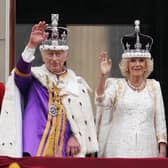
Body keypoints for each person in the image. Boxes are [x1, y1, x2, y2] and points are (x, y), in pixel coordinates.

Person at [0, 14, 98, 157]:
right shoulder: (34, 78)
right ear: (42, 54)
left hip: (64, 150)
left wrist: (75, 135)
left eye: (58, 54)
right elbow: (20, 74)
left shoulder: (77, 85)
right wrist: (31, 45)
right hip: (33, 148)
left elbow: (81, 118)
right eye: (49, 54)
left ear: (66, 56)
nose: (54, 59)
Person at [95, 20, 167, 158]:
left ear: (147, 65)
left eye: (141, 61)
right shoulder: (117, 86)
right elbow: (100, 101)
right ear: (126, 65)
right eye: (133, 61)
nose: (137, 64)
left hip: (148, 150)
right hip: (118, 150)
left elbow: (160, 120)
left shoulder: (154, 86)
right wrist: (103, 76)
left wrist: (162, 150)